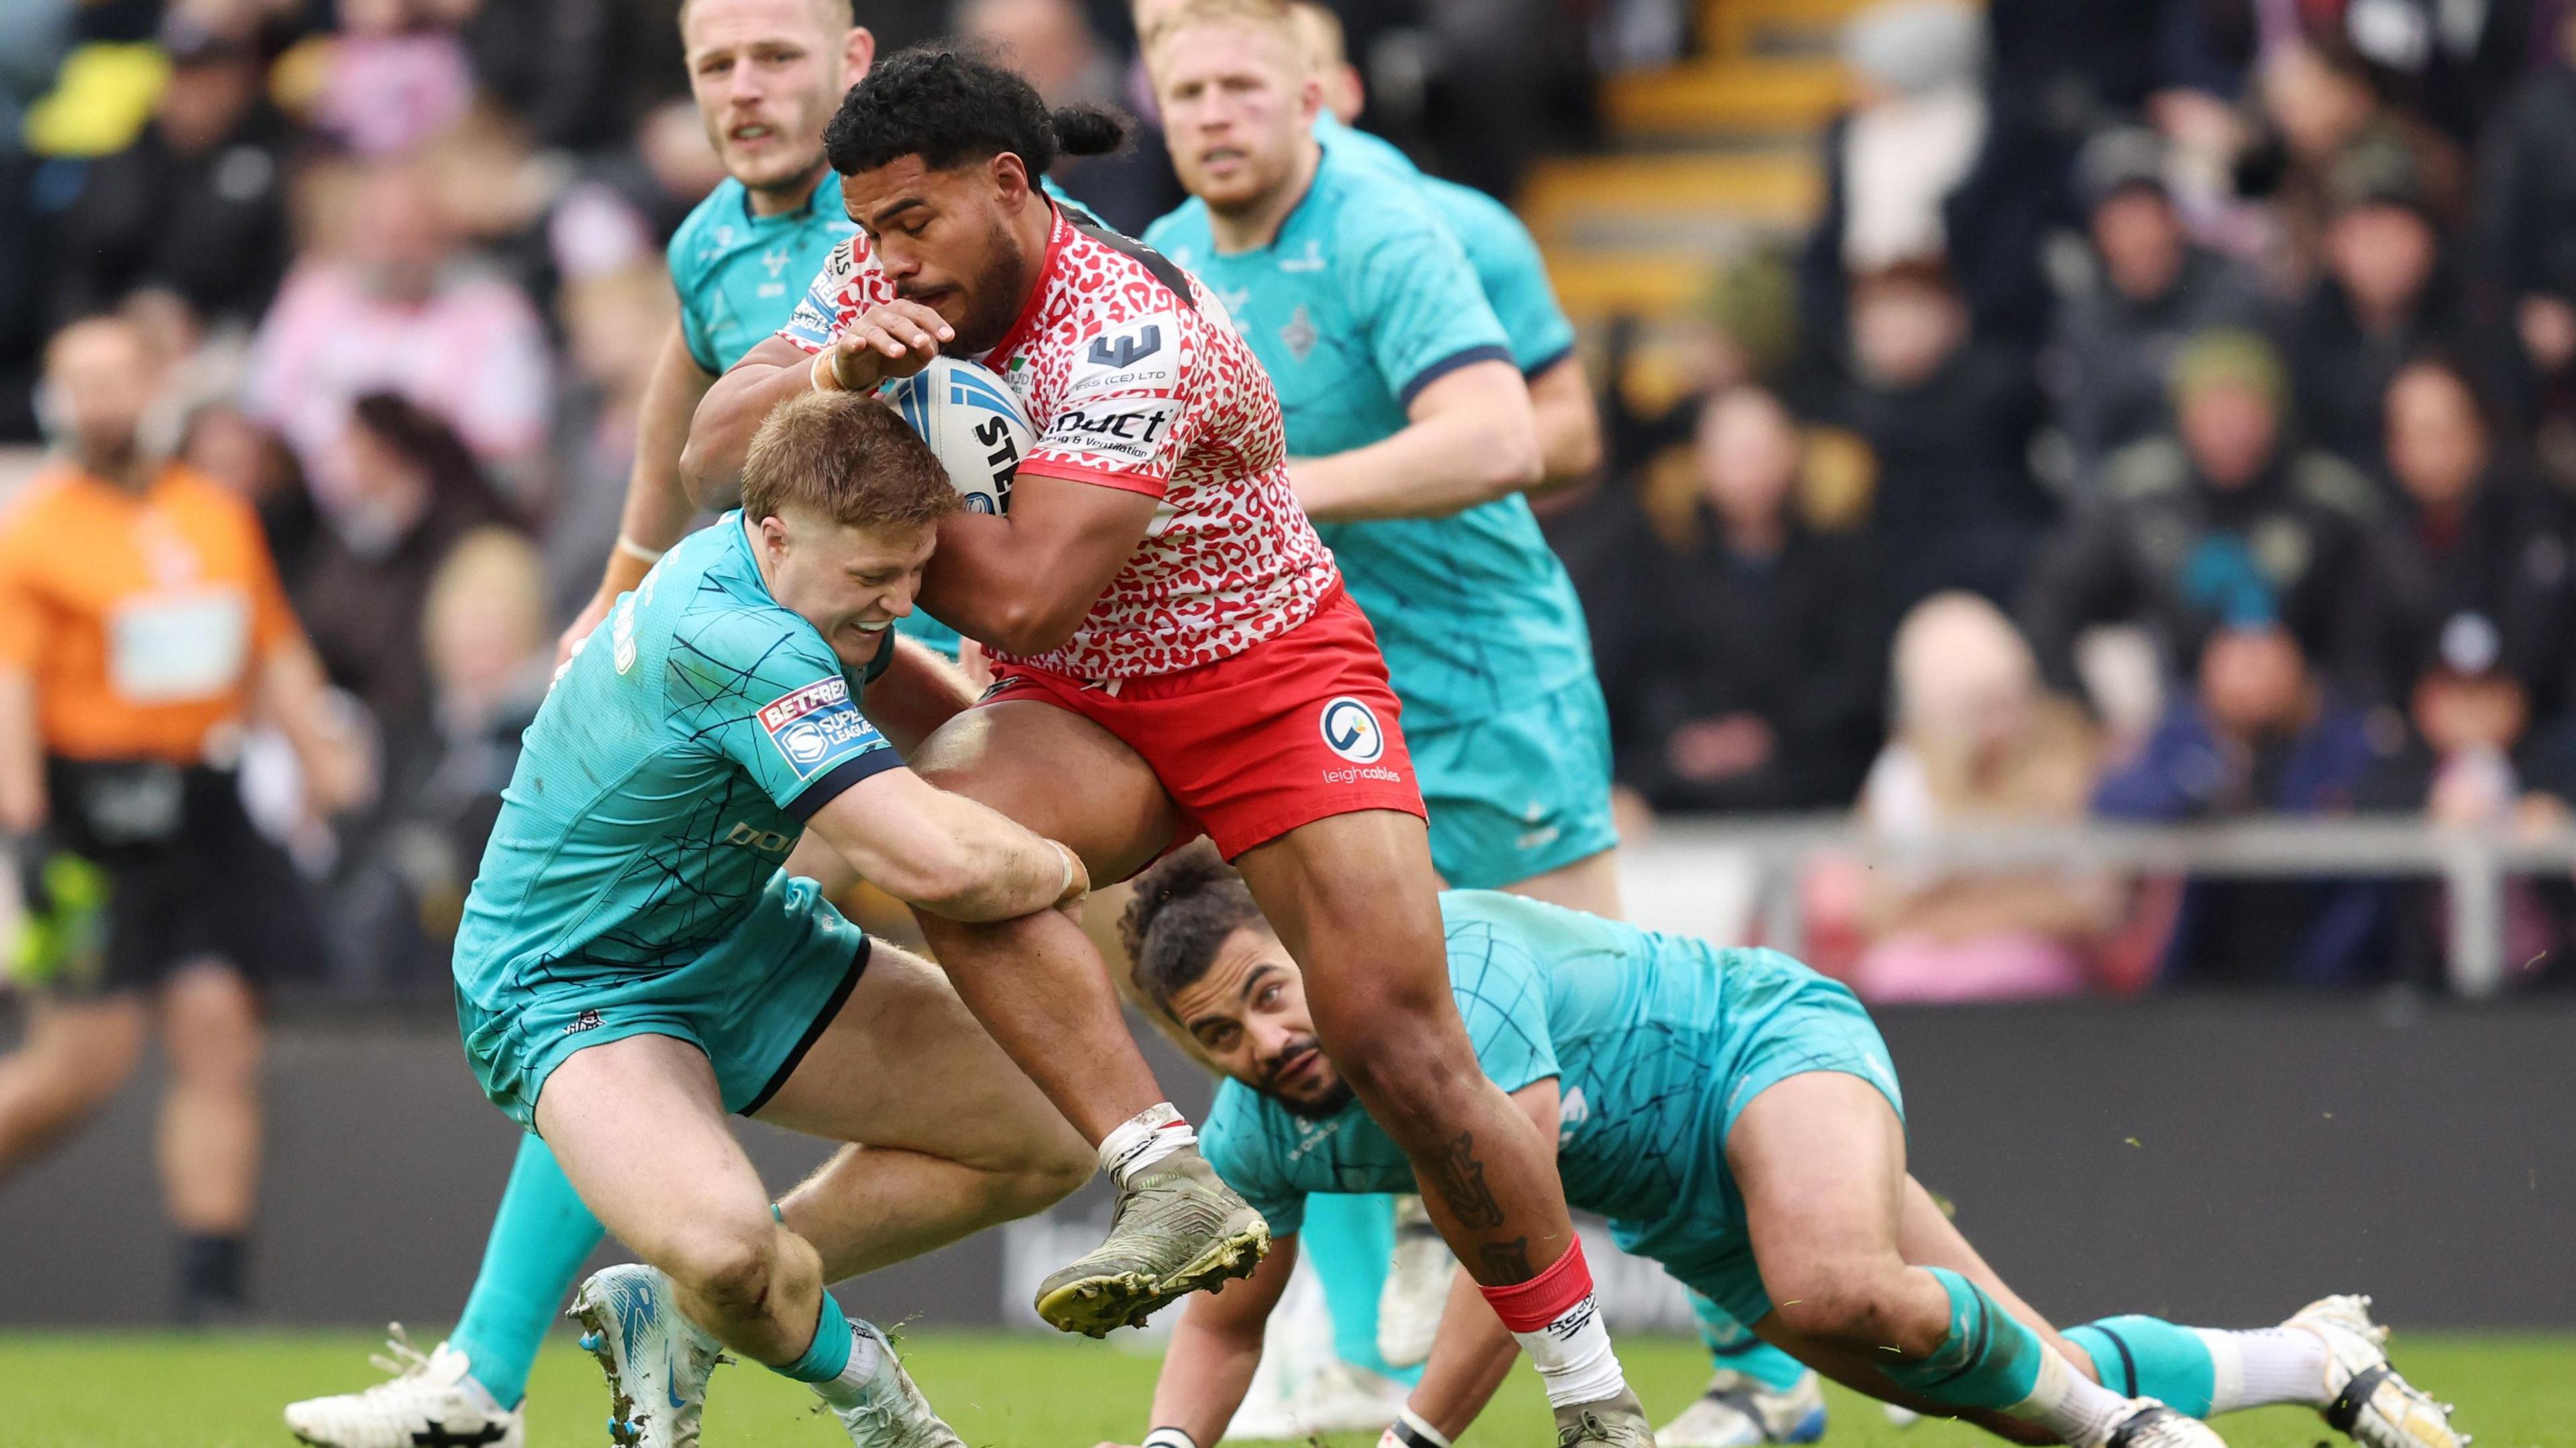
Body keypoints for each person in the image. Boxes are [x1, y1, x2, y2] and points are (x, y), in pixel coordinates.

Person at [686, 44, 1653, 1443]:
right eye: (866, 232)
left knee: (1400, 1046)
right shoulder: (876, 280)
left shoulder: (1134, 330)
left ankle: (1589, 1391)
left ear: (1009, 187)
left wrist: (855, 531)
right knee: (946, 838)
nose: (885, 261)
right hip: (1079, 706)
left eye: (911, 224)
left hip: (1264, 675)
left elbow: (1025, 588)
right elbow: (711, 463)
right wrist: (826, 372)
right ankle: (1165, 1173)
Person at [282, 1, 919, 1441]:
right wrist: (624, 575)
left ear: (855, 59)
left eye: (775, 57)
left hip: (950, 659)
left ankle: (547, 1348)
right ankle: (539, 1351)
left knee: (1151, 970)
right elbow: (677, 408)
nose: (746, 91)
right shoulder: (707, 242)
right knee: (640, 967)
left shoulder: (904, 205)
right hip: (809, 682)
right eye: (717, 66)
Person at [1100, 847, 2469, 1448]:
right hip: (1679, 1195)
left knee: (1828, 1286)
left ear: (1313, 942)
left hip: (1757, 1043)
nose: (1266, 1041)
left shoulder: (1442, 971)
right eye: (1220, 1034)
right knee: (1980, 1369)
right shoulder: (1264, 1130)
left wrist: (1413, 1438)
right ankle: (2314, 1362)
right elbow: (1226, 1329)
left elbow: (1511, 1236)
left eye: (1273, 991)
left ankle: (2128, 1437)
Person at [462, 390, 1100, 1448]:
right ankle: (875, 1399)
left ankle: (682, 1315)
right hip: (569, 985)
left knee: (1046, 1143)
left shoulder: (790, 574)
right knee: (723, 1253)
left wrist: (995, 729)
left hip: (739, 937)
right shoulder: (738, 640)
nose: (899, 599)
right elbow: (933, 863)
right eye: (873, 578)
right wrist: (1082, 858)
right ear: (773, 535)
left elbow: (907, 695)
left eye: (914, 572)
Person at [0, 315, 363, 1321]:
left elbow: (269, 647)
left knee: (218, 1037)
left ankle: (212, 1295)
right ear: (56, 401)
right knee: (76, 1069)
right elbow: (11, 686)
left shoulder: (214, 512)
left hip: (202, 805)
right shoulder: (35, 529)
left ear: (155, 388)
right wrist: (23, 826)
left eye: (121, 379)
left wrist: (323, 760)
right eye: (84, 384)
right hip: (89, 815)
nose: (106, 402)